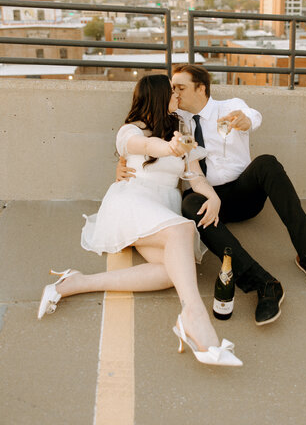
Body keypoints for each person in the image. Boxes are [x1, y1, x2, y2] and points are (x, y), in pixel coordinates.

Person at [37, 74, 242, 367]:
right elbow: (146, 147)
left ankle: (75, 283)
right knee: (183, 229)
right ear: (157, 96)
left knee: (172, 271)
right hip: (130, 202)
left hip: (161, 208)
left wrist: (214, 197)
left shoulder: (181, 128)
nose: (177, 96)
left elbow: (195, 175)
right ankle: (194, 318)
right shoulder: (130, 131)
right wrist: (171, 149)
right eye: (172, 92)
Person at [117, 65, 306, 327]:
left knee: (267, 162)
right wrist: (120, 163)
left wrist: (247, 121)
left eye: (181, 88)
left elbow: (253, 115)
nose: (175, 93)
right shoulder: (175, 119)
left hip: (242, 193)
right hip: (206, 199)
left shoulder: (230, 107)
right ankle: (262, 284)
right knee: (189, 203)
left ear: (201, 88)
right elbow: (142, 140)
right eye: (172, 89)